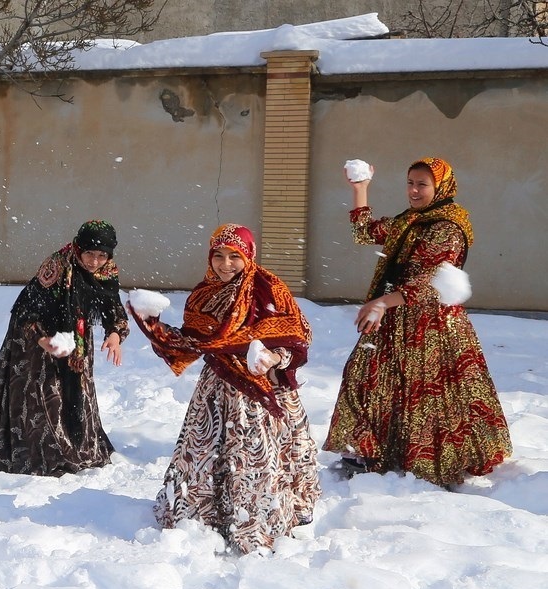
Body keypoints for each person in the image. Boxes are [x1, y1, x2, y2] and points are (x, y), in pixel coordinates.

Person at [129, 224, 320, 554]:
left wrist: (274, 356)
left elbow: (298, 341)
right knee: (205, 457)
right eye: (218, 256)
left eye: (235, 256)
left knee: (256, 460)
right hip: (217, 392)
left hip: (263, 390)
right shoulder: (205, 294)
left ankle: (258, 524)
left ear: (249, 256)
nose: (225, 264)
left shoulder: (269, 289)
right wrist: (152, 324)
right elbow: (192, 343)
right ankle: (204, 520)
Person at [323, 157, 511, 487]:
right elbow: (365, 233)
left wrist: (382, 301)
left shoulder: (448, 226)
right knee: (365, 376)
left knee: (429, 394)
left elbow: (432, 283)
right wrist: (360, 189)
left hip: (432, 325)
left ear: (440, 187)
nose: (413, 190)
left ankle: (432, 459)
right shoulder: (410, 220)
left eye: (422, 184)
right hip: (394, 318)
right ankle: (363, 450)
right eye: (410, 183)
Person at [0, 220, 128, 477]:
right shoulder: (57, 266)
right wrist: (44, 341)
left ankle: (74, 443)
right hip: (36, 341)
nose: (95, 262)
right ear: (78, 248)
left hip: (77, 341)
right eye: (89, 254)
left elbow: (112, 306)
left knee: (75, 393)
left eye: (102, 255)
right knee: (43, 394)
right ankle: (44, 450)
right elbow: (26, 312)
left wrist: (114, 334)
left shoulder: (106, 270)